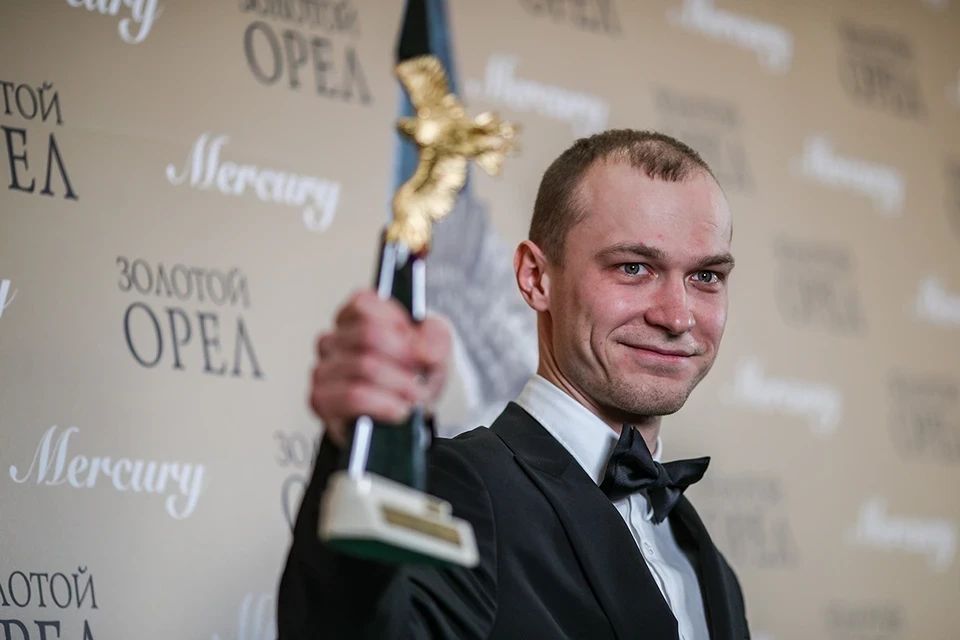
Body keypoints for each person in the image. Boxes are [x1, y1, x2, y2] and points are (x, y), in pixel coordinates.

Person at [277, 129, 751, 639]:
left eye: (706, 277)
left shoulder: (707, 562)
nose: (677, 317)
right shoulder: (462, 487)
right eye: (633, 267)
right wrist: (368, 443)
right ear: (535, 277)